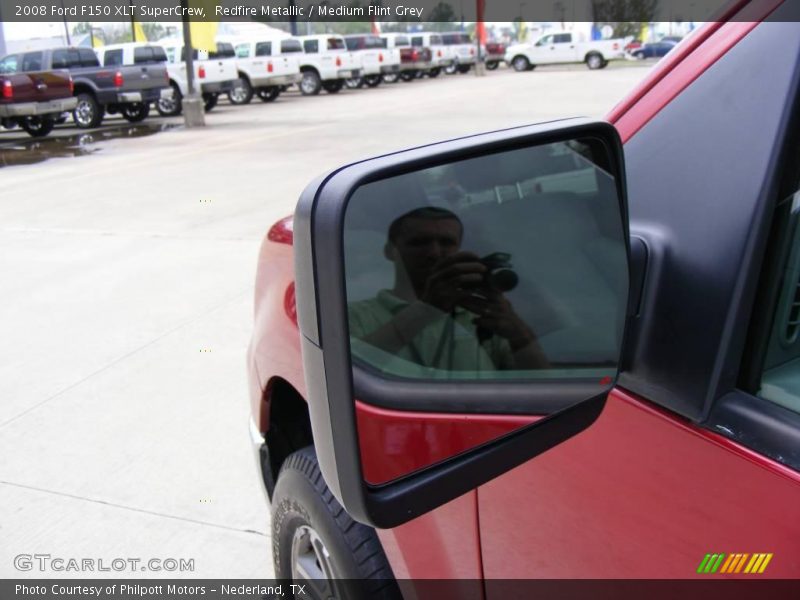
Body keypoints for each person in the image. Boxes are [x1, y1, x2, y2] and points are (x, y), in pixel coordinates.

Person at [348, 207, 549, 372]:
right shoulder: (355, 315)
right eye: (419, 242)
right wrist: (426, 310)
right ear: (390, 251)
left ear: (459, 249)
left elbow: (541, 383)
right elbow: (351, 373)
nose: (434, 252)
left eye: (446, 243)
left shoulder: (482, 314)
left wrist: (518, 332)